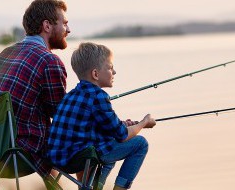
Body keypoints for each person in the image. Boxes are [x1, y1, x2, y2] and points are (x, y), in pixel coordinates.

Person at [0, 0, 70, 180]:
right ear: (47, 26)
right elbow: (62, 118)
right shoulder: (49, 61)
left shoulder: (4, 53)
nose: (68, 29)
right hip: (17, 156)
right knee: (90, 144)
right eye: (64, 23)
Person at [47, 42, 156, 190]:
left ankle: (96, 186)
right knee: (140, 144)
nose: (114, 72)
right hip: (79, 159)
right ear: (95, 74)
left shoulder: (71, 95)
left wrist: (122, 123)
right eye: (110, 68)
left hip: (57, 158)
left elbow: (96, 124)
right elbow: (122, 135)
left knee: (108, 139)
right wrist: (143, 122)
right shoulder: (98, 96)